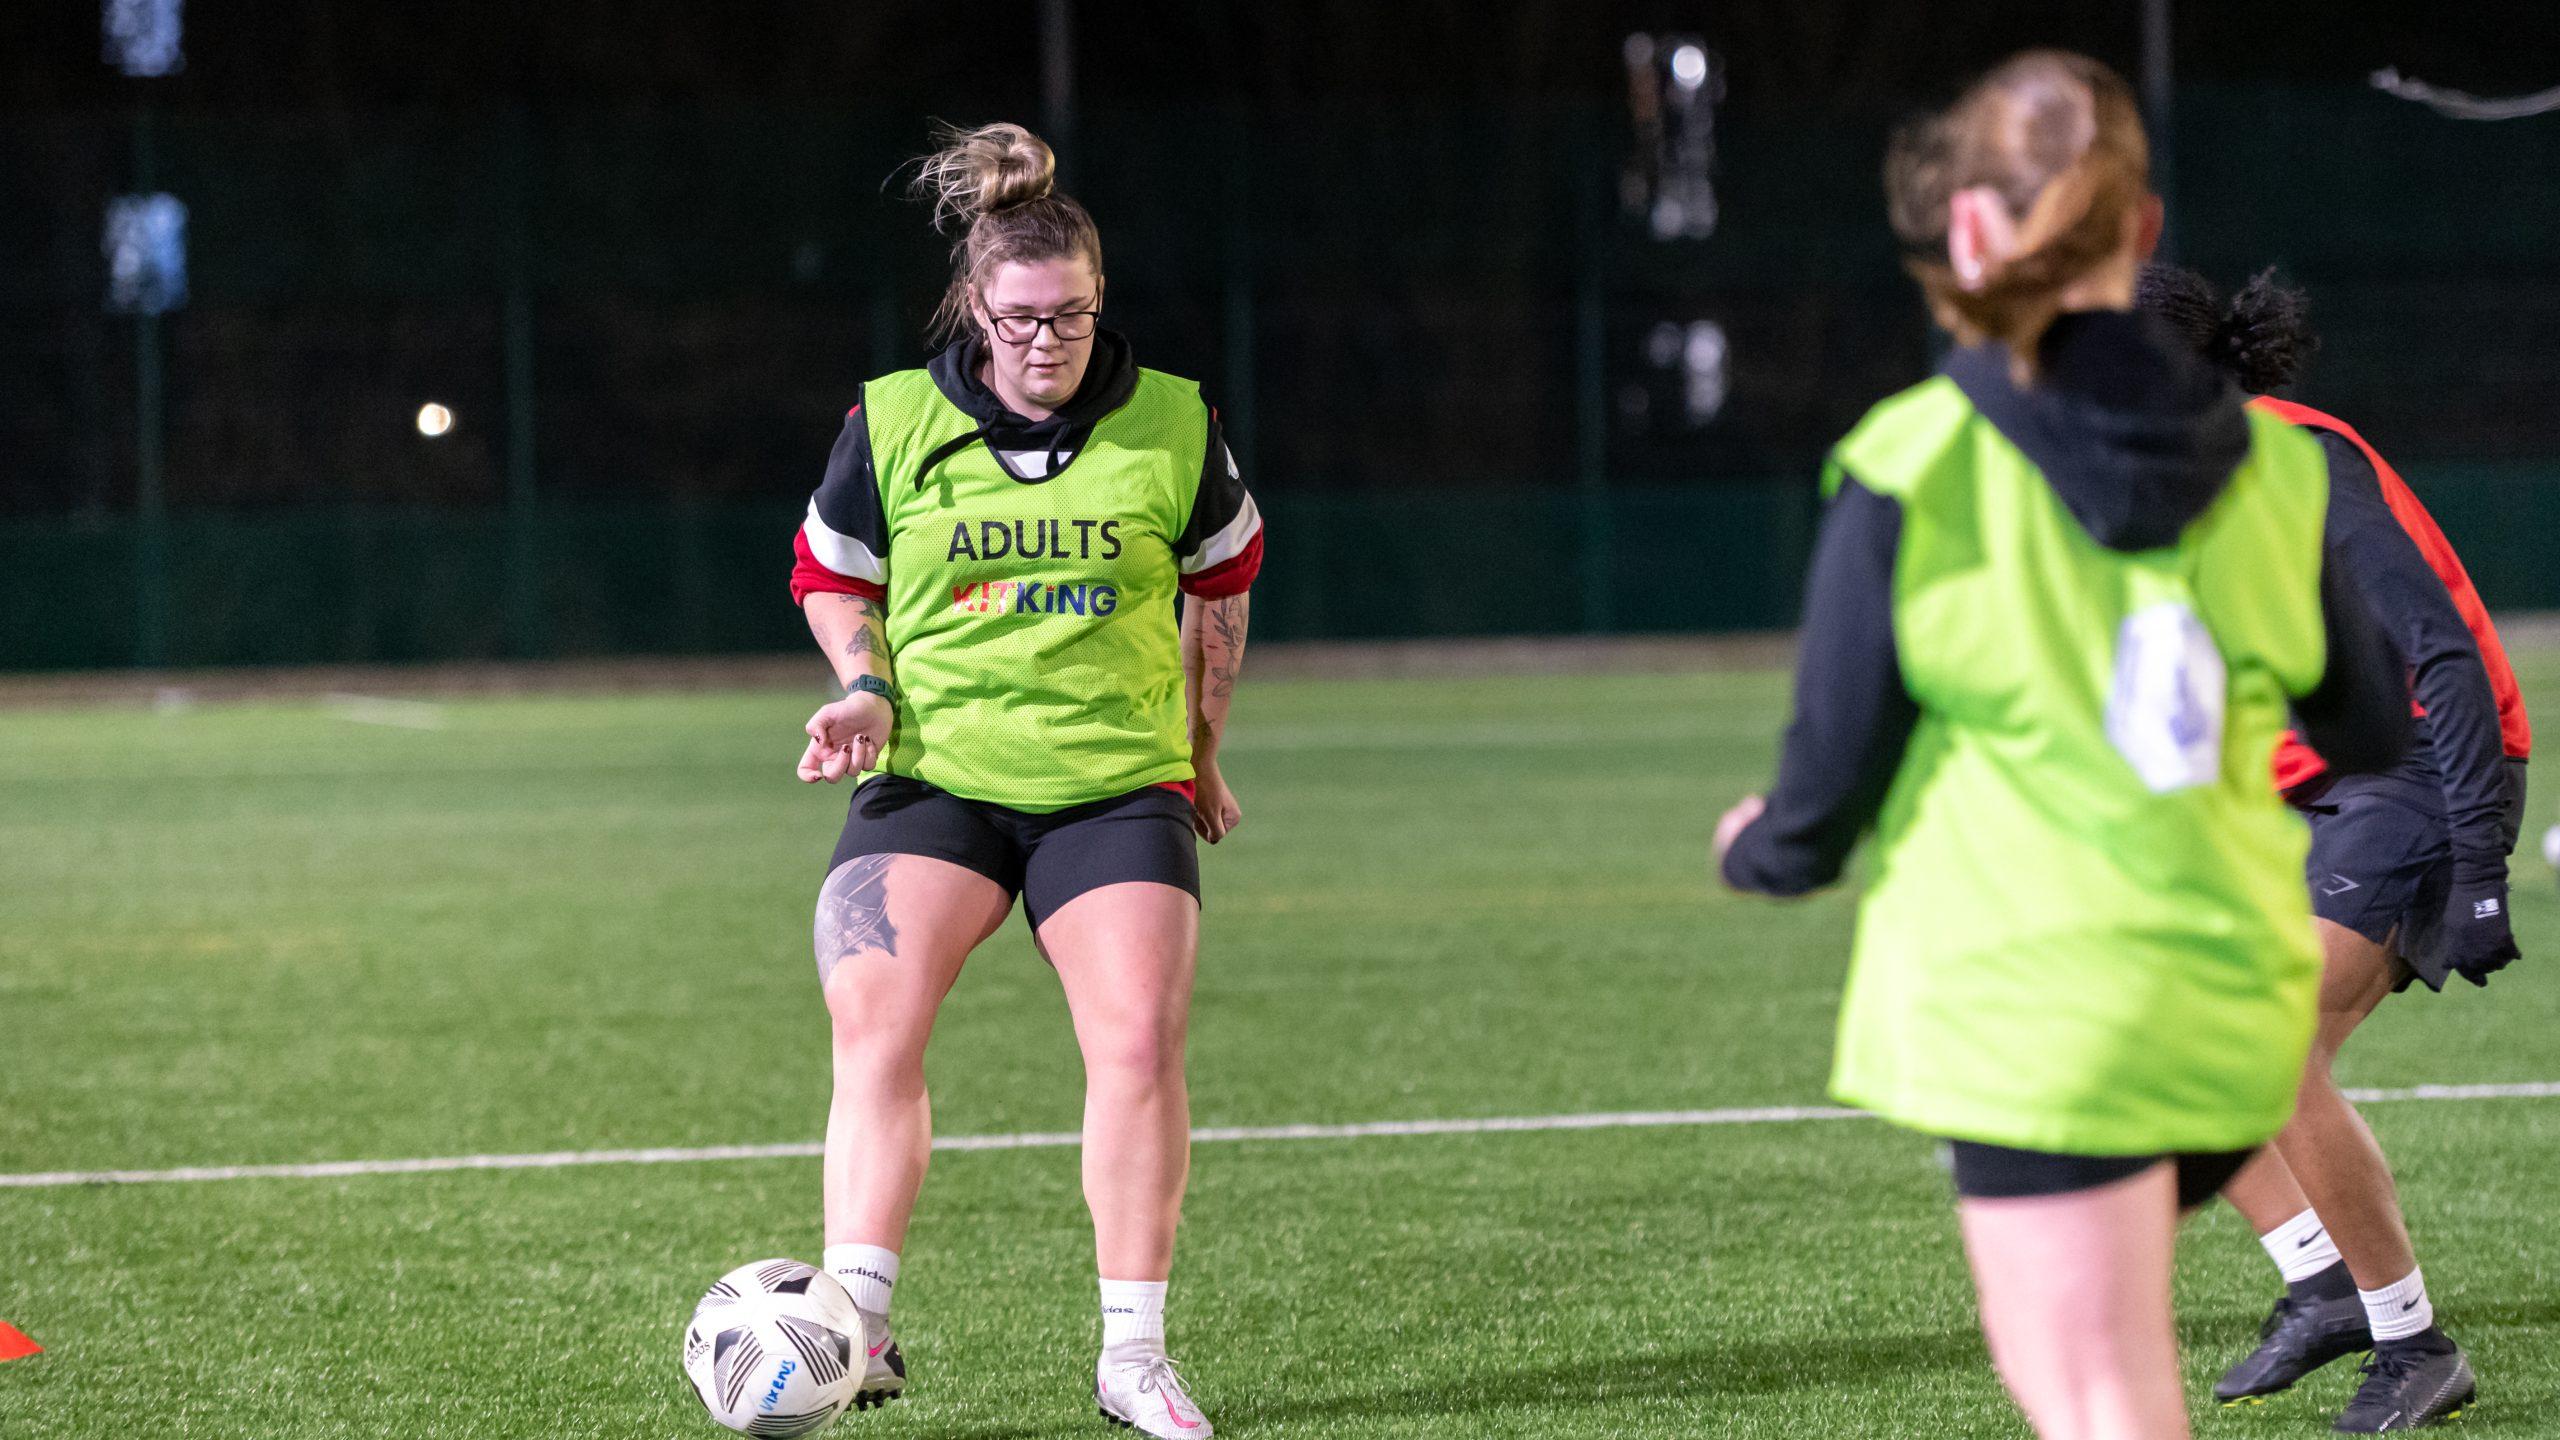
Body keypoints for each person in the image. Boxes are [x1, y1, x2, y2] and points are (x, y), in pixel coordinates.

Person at [1712, 51, 2412, 1440]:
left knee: (2090, 1392)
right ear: (2143, 234)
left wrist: (1758, 851)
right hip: (2221, 1003)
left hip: (2038, 1010)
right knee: (2116, 1373)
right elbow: (2367, 723)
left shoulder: (1919, 464)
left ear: (1968, 234)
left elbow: (1821, 796)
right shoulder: (2268, 469)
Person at [786, 121, 1262, 1437]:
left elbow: (1221, 584)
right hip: (936, 774)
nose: (1047, 343)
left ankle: (1134, 1359)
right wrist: (866, 688)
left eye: (1072, 317)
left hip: (1112, 782)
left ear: (1099, 303)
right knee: (872, 1019)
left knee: (1137, 1037)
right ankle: (855, 1326)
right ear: (975, 308)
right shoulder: (893, 419)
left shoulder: (1171, 421)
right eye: (1020, 321)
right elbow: (833, 573)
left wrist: (1200, 753)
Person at [2140, 263, 2529, 1430]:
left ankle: (2412, 1346)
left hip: (2418, 774)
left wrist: (2476, 871)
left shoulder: (2285, 457)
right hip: (2312, 795)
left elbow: (2443, 655)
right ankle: (2322, 1281)